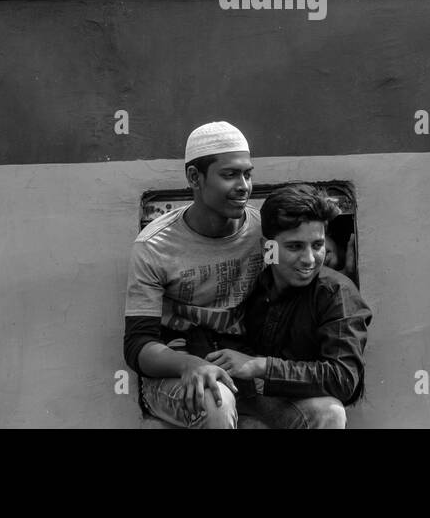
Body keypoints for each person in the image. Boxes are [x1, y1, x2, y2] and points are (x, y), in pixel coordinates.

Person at [124, 122, 265, 430]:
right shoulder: (155, 247)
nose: (243, 185)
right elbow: (137, 345)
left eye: (247, 174)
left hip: (244, 366)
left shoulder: (264, 232)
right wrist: (190, 365)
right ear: (194, 177)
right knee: (217, 399)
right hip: (175, 371)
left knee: (326, 411)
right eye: (229, 175)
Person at [206, 183, 372, 429]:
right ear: (268, 248)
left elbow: (343, 378)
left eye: (317, 246)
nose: (308, 259)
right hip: (242, 403)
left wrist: (261, 366)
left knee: (330, 412)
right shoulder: (250, 286)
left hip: (295, 408)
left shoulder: (337, 294)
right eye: (295, 247)